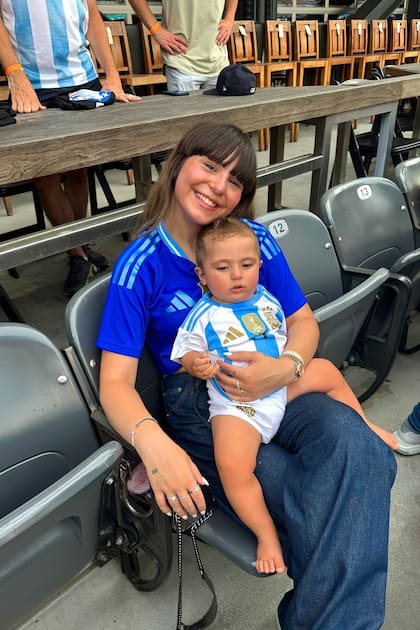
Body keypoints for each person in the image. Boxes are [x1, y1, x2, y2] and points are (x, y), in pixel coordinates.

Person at [97, 121, 397, 629]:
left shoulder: (254, 240)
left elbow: (301, 322)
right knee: (337, 501)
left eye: (234, 181)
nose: (218, 186)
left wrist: (286, 365)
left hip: (281, 382)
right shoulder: (140, 265)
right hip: (207, 408)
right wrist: (156, 446)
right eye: (209, 166)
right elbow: (115, 385)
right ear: (178, 163)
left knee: (360, 453)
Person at [170, 216, 398, 574]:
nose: (237, 276)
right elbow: (183, 353)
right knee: (233, 468)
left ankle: (367, 425)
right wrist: (195, 363)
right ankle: (265, 534)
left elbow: (291, 331)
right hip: (238, 403)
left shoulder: (266, 298)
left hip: (280, 387)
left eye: (246, 265)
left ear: (259, 266)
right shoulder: (203, 314)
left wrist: (286, 365)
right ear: (201, 275)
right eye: (222, 267)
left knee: (327, 372)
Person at [0, 0, 141, 296]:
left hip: (82, 78)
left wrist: (112, 75)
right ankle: (77, 254)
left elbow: (91, 14)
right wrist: (15, 74)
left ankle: (79, 245)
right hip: (31, 84)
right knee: (45, 175)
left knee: (80, 168)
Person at [128, 0, 237, 92]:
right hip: (181, 61)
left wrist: (230, 18)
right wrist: (155, 29)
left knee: (219, 117)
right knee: (185, 117)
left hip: (218, 60)